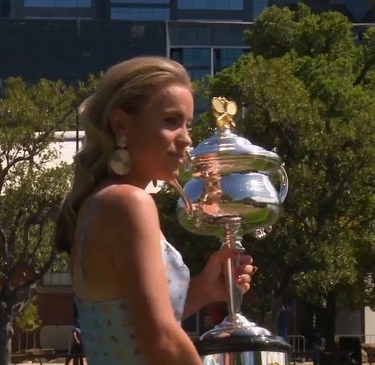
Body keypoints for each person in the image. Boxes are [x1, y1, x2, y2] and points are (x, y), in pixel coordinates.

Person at [52, 56, 257, 365]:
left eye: (187, 124)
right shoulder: (128, 203)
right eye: (171, 121)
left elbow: (127, 326)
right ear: (121, 123)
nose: (187, 138)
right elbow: (160, 340)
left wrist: (203, 290)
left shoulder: (103, 203)